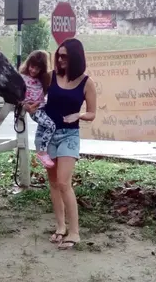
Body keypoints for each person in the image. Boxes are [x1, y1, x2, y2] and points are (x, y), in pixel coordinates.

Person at [24, 38, 97, 250]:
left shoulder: (86, 83)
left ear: (76, 57)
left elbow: (92, 113)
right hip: (47, 135)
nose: (61, 59)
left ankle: (74, 232)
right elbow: (37, 95)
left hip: (69, 136)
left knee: (64, 183)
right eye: (59, 55)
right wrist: (31, 107)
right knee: (54, 183)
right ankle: (60, 227)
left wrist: (79, 115)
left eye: (65, 56)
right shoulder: (51, 76)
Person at [19, 50, 56, 168]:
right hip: (35, 110)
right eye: (32, 66)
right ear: (28, 64)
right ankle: (42, 151)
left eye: (38, 68)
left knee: (50, 125)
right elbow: (17, 95)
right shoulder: (22, 78)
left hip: (43, 107)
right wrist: (25, 105)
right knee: (51, 126)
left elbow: (44, 92)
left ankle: (43, 146)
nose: (33, 70)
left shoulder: (42, 80)